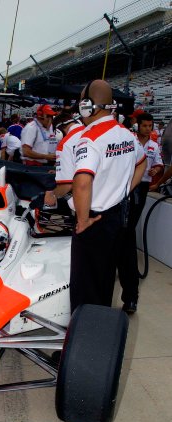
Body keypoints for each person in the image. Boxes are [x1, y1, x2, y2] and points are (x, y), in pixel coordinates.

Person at [69, 79, 147, 313]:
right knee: (104, 284)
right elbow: (142, 164)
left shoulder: (89, 139)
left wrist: (82, 220)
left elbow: (82, 183)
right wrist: (122, 191)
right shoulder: (126, 134)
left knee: (85, 289)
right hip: (118, 217)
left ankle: (83, 345)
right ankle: (98, 336)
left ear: (87, 106)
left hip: (94, 220)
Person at [117, 111, 164, 314]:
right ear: (137, 125)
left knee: (127, 231)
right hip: (123, 189)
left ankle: (130, 291)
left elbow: (159, 164)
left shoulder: (153, 145)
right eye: (144, 125)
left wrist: (157, 170)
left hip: (140, 189)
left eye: (150, 126)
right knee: (123, 232)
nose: (148, 129)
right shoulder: (128, 138)